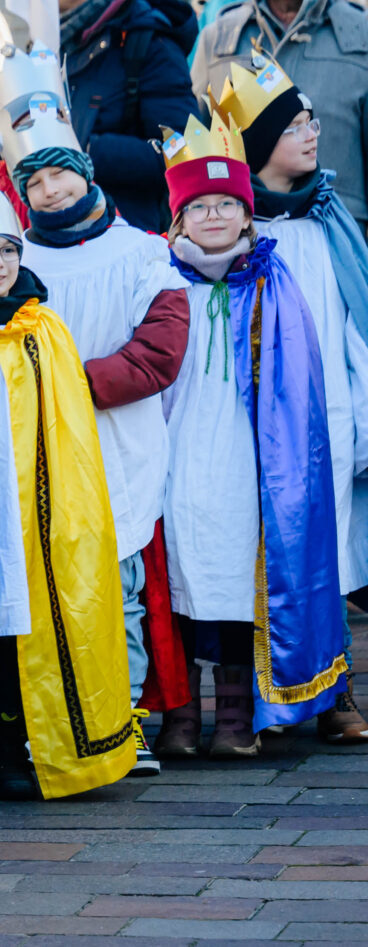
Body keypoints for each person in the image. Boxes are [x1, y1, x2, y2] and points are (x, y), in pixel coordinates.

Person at [152, 109, 360, 759]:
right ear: (177, 219)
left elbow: (297, 381)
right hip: (178, 452)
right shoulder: (159, 281)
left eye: (225, 205)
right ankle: (182, 710)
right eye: (199, 206)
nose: (213, 216)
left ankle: (237, 709)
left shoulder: (274, 280)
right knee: (182, 569)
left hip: (249, 455)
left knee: (240, 568)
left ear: (247, 215)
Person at [0, 52, 186, 742]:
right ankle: (60, 723)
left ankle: (122, 716)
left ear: (86, 172)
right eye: (35, 179)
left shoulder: (142, 252)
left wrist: (71, 385)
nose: (49, 189)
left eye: (59, 172)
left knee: (118, 586)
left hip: (117, 438)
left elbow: (160, 350)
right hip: (40, 446)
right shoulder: (13, 258)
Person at [0, 183, 136, 797]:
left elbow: (70, 426)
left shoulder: (43, 327)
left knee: (26, 619)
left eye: (7, 251)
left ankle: (17, 744)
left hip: (32, 498)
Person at [208, 54, 368, 743]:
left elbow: (355, 323)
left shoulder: (333, 219)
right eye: (294, 124)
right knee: (252, 548)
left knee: (324, 549)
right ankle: (250, 699)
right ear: (257, 143)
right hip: (251, 423)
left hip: (325, 417)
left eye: (310, 120)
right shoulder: (236, 235)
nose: (312, 133)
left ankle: (335, 690)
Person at [194, 0, 368, 225]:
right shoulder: (218, 39)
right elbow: (197, 150)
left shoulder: (362, 37)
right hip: (241, 242)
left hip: (338, 238)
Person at [50, 0, 197, 233]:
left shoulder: (149, 41)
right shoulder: (53, 34)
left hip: (128, 232)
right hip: (58, 228)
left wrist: (87, 148)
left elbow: (182, 150)